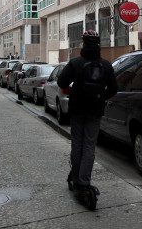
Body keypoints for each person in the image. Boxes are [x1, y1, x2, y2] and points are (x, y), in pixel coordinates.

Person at [57, 30, 118, 206]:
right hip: (95, 110)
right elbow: (114, 88)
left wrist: (74, 89)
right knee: (90, 145)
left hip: (77, 109)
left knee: (77, 143)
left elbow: (61, 82)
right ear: (99, 45)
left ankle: (76, 178)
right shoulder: (106, 65)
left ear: (84, 44)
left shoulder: (76, 63)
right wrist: (100, 96)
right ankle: (84, 181)